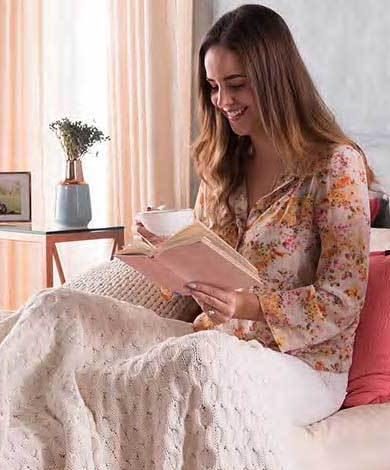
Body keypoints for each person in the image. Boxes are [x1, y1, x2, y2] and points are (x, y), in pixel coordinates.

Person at [135, 3, 373, 425]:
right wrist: (166, 256)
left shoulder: (336, 166)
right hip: (215, 344)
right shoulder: (222, 164)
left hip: (304, 368)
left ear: (275, 79)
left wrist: (248, 305)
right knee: (65, 313)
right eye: (212, 87)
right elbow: (202, 280)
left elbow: (342, 302)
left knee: (187, 371)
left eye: (236, 84)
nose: (223, 102)